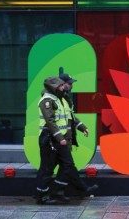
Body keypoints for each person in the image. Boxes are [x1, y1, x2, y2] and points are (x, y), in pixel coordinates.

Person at [35, 77, 96, 205]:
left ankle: (56, 192)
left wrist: (81, 127)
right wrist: (60, 138)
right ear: (54, 87)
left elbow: (70, 117)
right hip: (50, 139)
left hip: (60, 139)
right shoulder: (47, 100)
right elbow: (50, 121)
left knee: (67, 165)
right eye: (62, 85)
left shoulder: (61, 99)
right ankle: (41, 195)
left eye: (65, 85)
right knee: (48, 169)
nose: (65, 87)